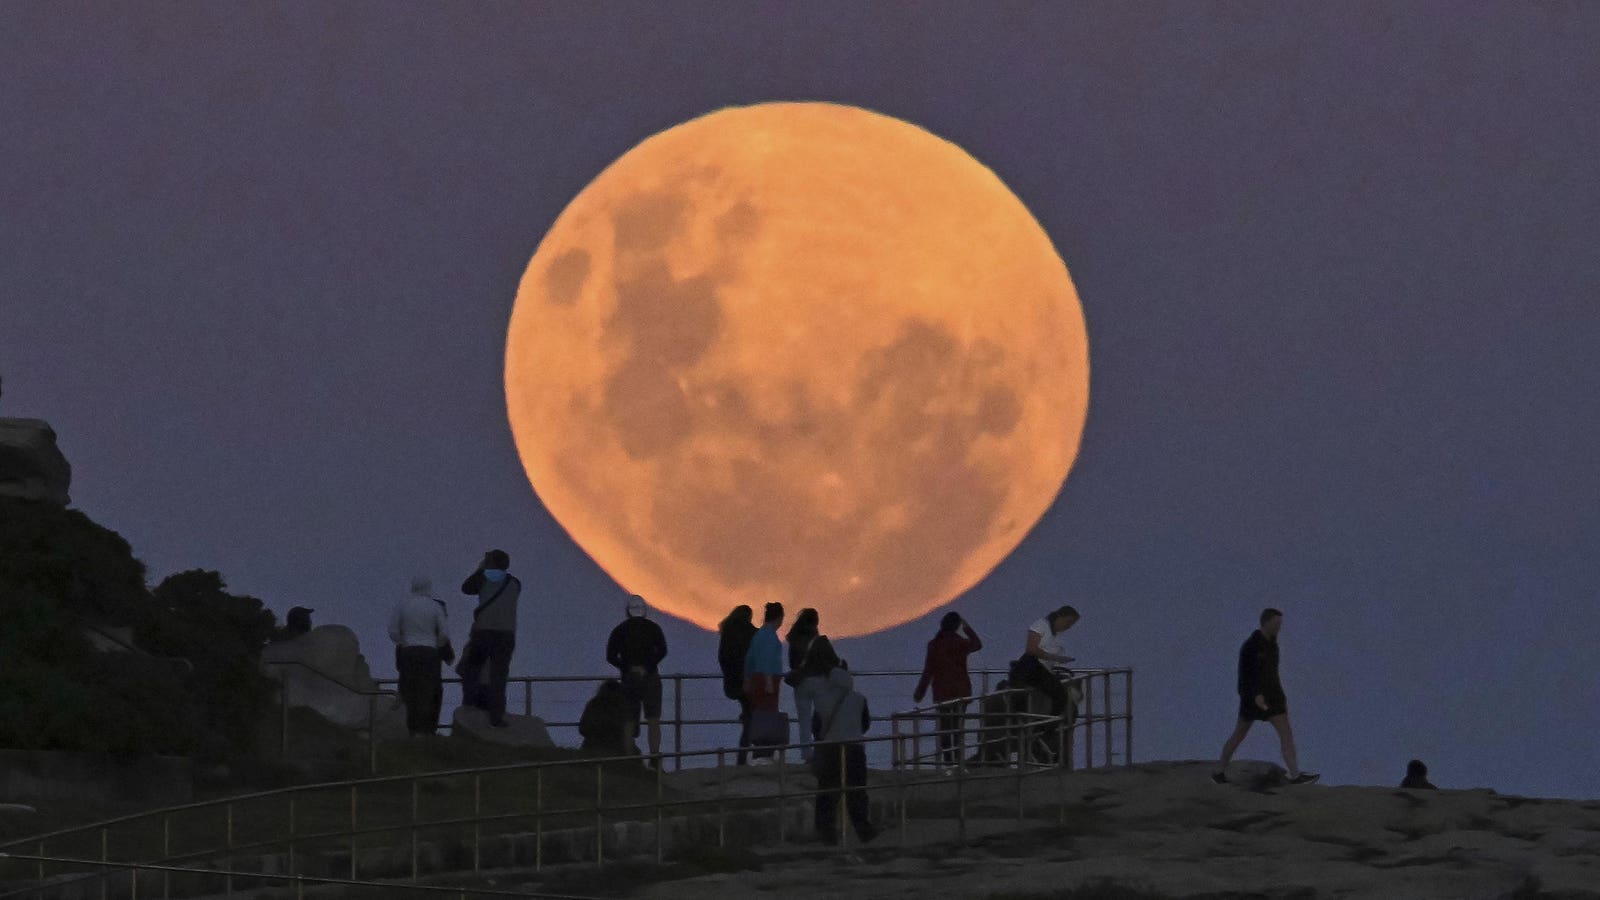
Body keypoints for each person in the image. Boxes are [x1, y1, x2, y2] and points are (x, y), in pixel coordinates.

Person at [1213, 608, 1319, 785]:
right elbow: (1245, 675)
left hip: (1274, 698)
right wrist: (1255, 695)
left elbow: (1272, 674)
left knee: (1286, 734)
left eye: (1280, 624)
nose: (1279, 627)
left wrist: (1281, 698)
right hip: (1252, 700)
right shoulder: (1251, 645)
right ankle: (1219, 771)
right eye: (1276, 624)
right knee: (1238, 735)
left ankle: (1295, 775)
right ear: (1266, 622)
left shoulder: (1273, 645)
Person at [811, 665, 878, 845]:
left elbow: (815, 728)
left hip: (829, 750)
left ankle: (826, 833)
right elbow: (865, 724)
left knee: (827, 792)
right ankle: (864, 829)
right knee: (856, 790)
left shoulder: (821, 699)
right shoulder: (859, 699)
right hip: (855, 748)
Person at [455, 550, 522, 727]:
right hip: (507, 634)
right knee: (499, 674)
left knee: (473, 668)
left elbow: (466, 588)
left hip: (483, 631)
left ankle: (469, 707)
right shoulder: (515, 583)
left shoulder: (483, 578)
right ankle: (497, 716)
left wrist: (481, 568)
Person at [914, 612, 983, 768]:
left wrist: (920, 692)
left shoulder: (934, 644)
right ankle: (958, 761)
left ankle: (948, 762)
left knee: (944, 729)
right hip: (961, 691)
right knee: (958, 728)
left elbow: (928, 671)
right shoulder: (960, 643)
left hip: (942, 692)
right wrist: (967, 628)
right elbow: (978, 644)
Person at [606, 594, 668, 766]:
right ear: (645, 611)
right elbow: (663, 650)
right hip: (651, 678)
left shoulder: (620, 630)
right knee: (653, 719)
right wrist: (647, 667)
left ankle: (628, 759)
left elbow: (610, 656)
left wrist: (626, 667)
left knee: (628, 719)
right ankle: (655, 759)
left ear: (627, 611)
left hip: (629, 680)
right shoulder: (654, 628)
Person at [388, 577, 454, 737]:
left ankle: (411, 729)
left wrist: (404, 643)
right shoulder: (436, 607)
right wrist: (437, 644)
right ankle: (425, 731)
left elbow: (393, 631)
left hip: (408, 652)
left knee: (409, 689)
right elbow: (444, 634)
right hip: (430, 653)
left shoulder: (403, 605)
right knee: (428, 691)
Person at [784, 608, 840, 762]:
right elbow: (834, 662)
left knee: (804, 721)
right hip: (819, 682)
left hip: (801, 684)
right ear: (816, 622)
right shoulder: (821, 641)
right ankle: (822, 750)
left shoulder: (794, 640)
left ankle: (806, 755)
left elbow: (792, 663)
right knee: (822, 717)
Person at [1011, 605, 1079, 717]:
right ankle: (1048, 727)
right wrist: (1054, 658)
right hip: (1033, 667)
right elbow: (1031, 649)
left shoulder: (1056, 635)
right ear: (1060, 617)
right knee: (1060, 695)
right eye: (1068, 622)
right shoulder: (1041, 625)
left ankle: (1049, 724)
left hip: (1042, 668)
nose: (1069, 626)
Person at [743, 602, 786, 762]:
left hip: (757, 678)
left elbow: (749, 658)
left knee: (760, 713)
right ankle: (765, 752)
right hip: (768, 679)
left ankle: (760, 752)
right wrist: (768, 680)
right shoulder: (769, 636)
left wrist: (747, 678)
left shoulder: (759, 634)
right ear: (779, 618)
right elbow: (766, 659)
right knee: (768, 713)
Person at [717, 605, 758, 765]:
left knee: (748, 715)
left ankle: (745, 755)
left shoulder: (726, 633)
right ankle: (748, 755)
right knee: (752, 717)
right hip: (749, 681)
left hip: (733, 683)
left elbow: (723, 658)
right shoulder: (751, 633)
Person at [578, 679, 634, 756]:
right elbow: (627, 734)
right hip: (615, 750)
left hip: (590, 748)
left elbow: (582, 729)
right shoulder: (622, 707)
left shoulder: (593, 704)